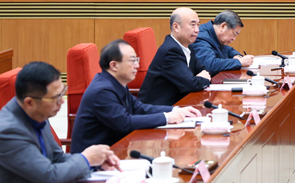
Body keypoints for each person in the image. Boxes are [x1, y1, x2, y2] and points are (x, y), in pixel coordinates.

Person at [71, 39, 202, 153]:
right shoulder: (102, 91)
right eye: (132, 61)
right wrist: (166, 118)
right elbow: (124, 123)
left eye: (137, 60)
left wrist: (176, 110)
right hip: (92, 163)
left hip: (113, 153)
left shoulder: (115, 83)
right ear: (114, 65)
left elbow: (139, 107)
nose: (137, 65)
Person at [138, 7, 211, 106]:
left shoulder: (188, 47)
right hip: (157, 110)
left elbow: (202, 70)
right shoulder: (171, 51)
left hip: (178, 105)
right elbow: (191, 85)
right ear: (176, 27)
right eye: (192, 25)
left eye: (198, 25)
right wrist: (203, 79)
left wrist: (200, 78)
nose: (197, 30)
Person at [190, 10, 255, 76]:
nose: (234, 39)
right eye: (234, 34)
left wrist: (236, 56)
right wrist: (239, 62)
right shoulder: (200, 38)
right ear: (223, 26)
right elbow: (209, 65)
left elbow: (228, 50)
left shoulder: (216, 36)